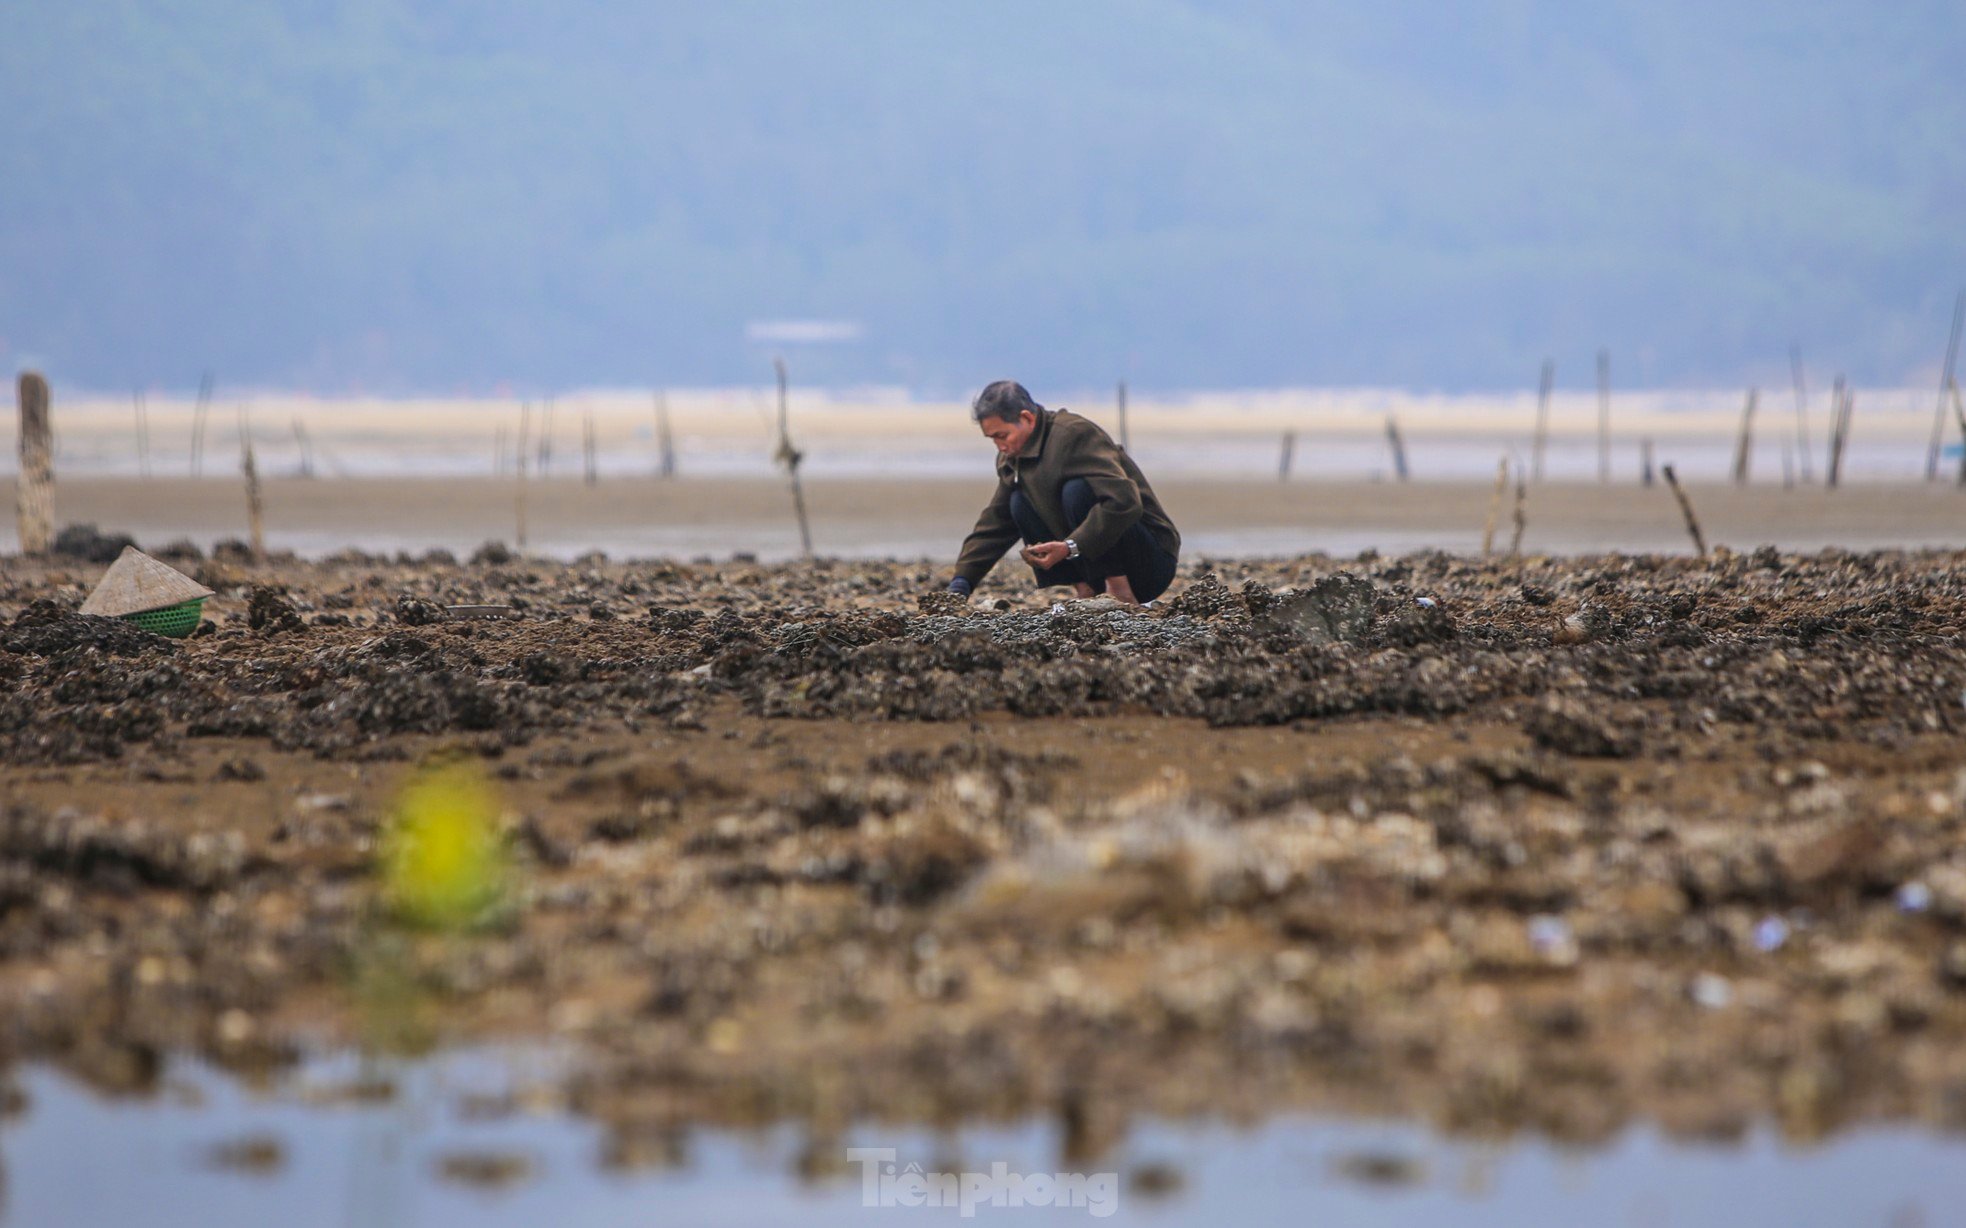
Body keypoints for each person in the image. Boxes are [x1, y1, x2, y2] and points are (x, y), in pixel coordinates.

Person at [946, 380, 1180, 605]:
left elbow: (1125, 502)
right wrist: (961, 583)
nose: (1000, 446)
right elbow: (995, 524)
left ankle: (1120, 591)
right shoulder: (1012, 459)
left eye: (1002, 435)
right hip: (1090, 566)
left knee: (1077, 492)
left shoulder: (1073, 435)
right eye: (993, 439)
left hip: (1150, 561)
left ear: (1026, 418)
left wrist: (1070, 546)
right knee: (1018, 502)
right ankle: (1085, 589)